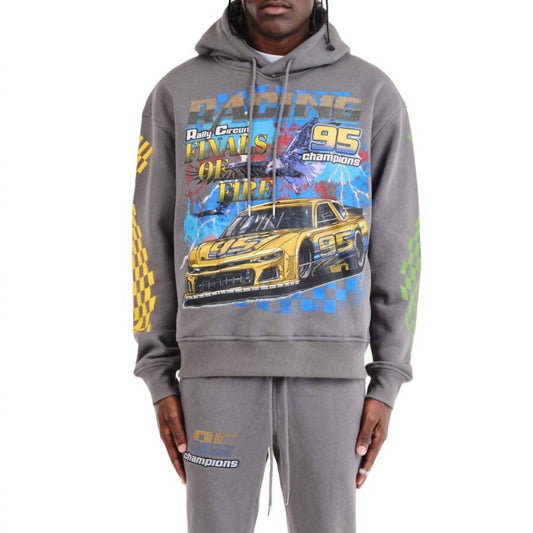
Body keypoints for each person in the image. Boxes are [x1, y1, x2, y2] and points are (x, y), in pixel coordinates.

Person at [131, 1, 422, 531]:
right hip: (211, 375)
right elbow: (150, 239)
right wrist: (159, 374)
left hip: (331, 377)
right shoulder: (177, 91)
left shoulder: (372, 92)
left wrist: (388, 378)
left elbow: (398, 242)